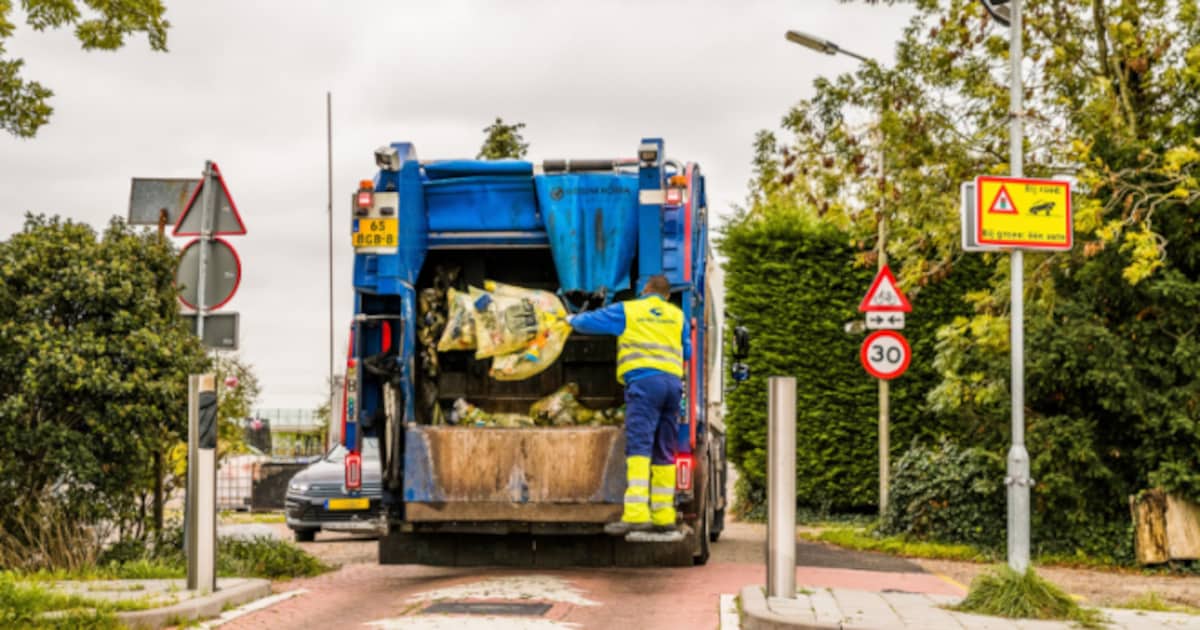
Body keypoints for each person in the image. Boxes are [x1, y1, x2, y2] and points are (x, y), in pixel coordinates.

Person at [566, 275, 690, 535]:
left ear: (645, 290)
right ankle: (664, 515)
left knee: (639, 446)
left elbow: (590, 323)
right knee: (664, 449)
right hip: (672, 386)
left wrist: (570, 320)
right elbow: (687, 352)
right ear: (667, 296)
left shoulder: (630, 309)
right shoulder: (677, 316)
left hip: (645, 385)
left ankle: (635, 514)